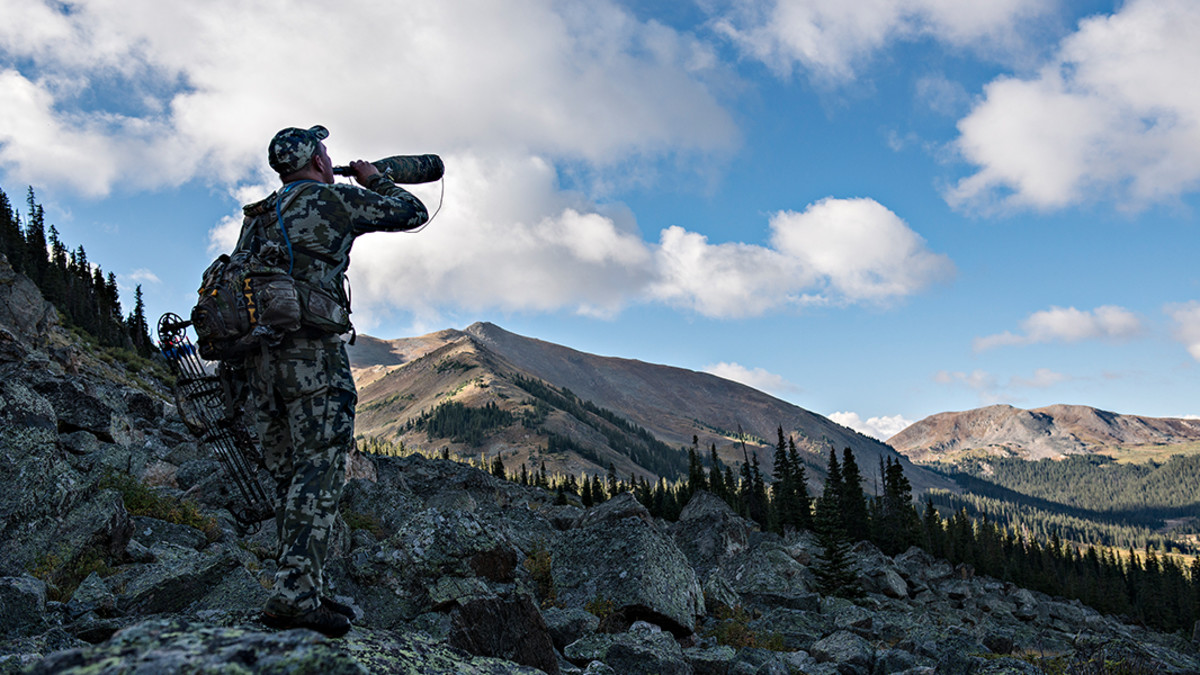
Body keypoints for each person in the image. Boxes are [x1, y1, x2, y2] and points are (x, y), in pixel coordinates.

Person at [245, 125, 429, 637]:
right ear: (316, 161)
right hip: (311, 357)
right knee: (321, 468)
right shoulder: (330, 200)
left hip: (259, 365)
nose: (330, 157)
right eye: (323, 150)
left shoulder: (258, 216)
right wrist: (377, 179)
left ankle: (303, 589)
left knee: (289, 478)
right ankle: (296, 598)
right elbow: (413, 212)